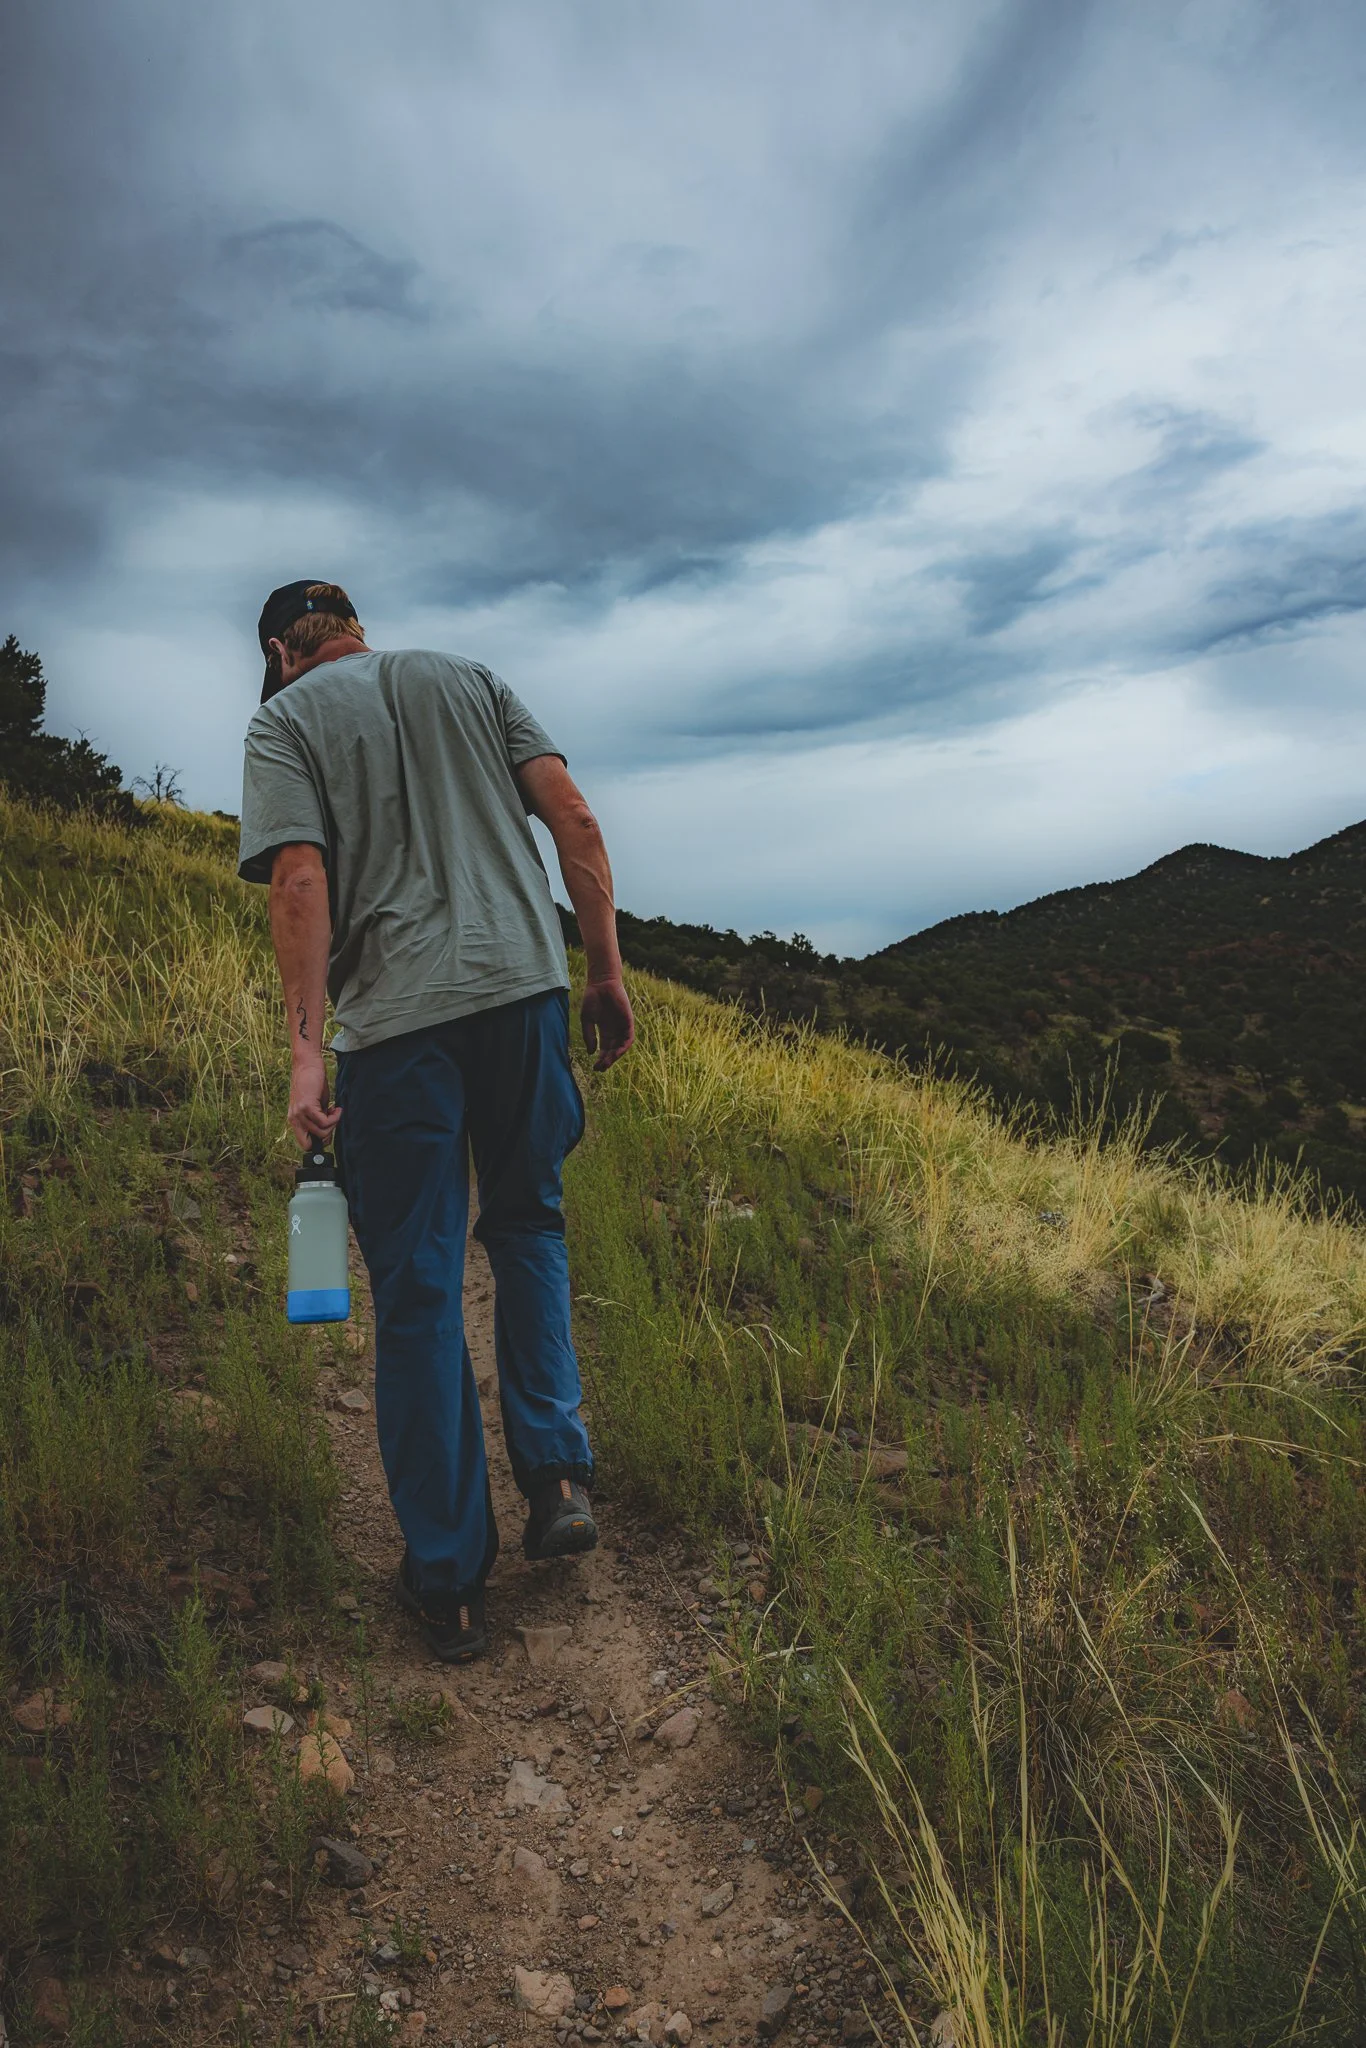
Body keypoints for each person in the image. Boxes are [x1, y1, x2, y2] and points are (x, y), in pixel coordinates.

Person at [238, 579, 635, 1661]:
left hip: (398, 1029)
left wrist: (306, 1050)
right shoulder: (471, 678)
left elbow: (300, 880)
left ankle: (452, 1580)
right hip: (522, 996)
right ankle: (557, 1478)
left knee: (418, 1286)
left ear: (280, 651)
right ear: (356, 630)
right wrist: (602, 971)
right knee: (528, 1222)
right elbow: (576, 819)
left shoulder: (284, 722)